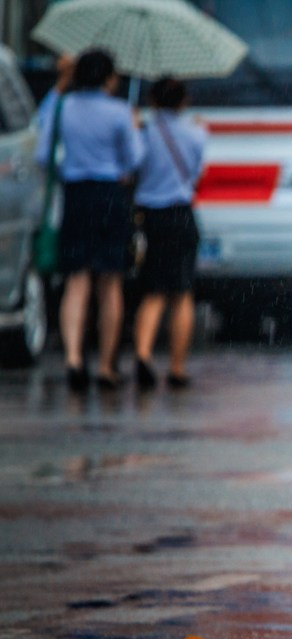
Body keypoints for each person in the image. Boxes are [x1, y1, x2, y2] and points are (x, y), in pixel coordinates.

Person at [36, 49, 143, 391]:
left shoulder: (63, 107)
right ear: (109, 79)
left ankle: (73, 358)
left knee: (76, 280)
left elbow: (43, 154)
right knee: (110, 283)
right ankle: (107, 366)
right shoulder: (120, 111)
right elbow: (135, 158)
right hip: (110, 196)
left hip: (75, 196)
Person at [131, 77, 207, 391]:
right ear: (183, 101)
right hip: (182, 213)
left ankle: (143, 353)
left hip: (151, 216)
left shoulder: (143, 133)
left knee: (153, 291)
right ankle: (177, 366)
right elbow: (196, 174)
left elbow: (132, 166)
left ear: (152, 100)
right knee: (182, 293)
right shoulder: (196, 132)